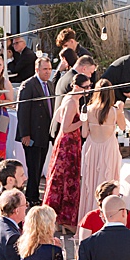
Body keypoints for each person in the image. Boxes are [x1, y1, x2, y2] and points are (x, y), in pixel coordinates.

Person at [44, 78, 87, 233]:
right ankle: (63, 219)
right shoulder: (70, 102)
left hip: (70, 143)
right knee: (65, 181)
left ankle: (59, 219)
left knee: (64, 180)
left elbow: (57, 116)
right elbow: (66, 127)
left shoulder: (70, 99)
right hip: (67, 145)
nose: (87, 89)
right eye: (85, 86)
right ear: (76, 86)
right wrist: (82, 121)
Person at [77, 84, 126, 209]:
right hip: (108, 150)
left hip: (92, 149)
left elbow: (84, 133)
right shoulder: (114, 111)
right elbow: (123, 127)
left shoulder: (88, 109)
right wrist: (121, 109)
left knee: (91, 184)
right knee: (107, 183)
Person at [15, 54, 55, 202]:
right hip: (32, 134)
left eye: (50, 69)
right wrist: (25, 134)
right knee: (33, 167)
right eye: (45, 69)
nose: (47, 72)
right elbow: (22, 111)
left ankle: (33, 194)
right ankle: (31, 196)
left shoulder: (50, 85)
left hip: (45, 133)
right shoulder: (28, 85)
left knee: (39, 166)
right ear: (37, 69)